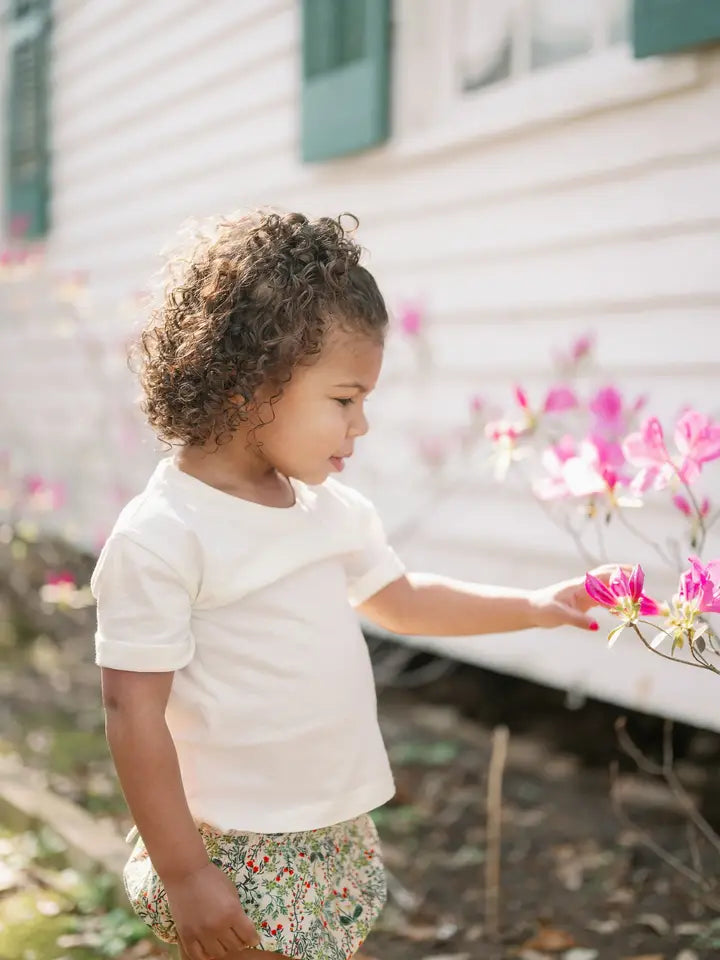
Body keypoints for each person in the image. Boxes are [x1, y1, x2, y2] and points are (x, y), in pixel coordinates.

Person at [91, 211, 614, 960]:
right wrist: (184, 872)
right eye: (344, 399)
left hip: (332, 828)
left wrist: (533, 607)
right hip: (233, 845)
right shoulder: (164, 535)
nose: (361, 424)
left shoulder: (328, 511)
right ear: (249, 385)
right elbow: (129, 710)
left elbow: (401, 600)